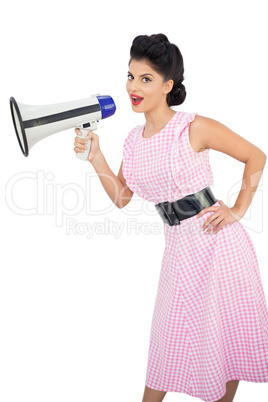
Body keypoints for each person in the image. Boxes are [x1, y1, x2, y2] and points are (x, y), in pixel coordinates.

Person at [73, 34, 268, 402]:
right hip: (178, 250)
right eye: (130, 76)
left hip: (218, 246)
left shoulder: (193, 127)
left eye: (146, 79)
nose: (134, 86)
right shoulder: (132, 140)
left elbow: (256, 156)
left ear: (167, 86)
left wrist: (238, 209)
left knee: (222, 339)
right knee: (167, 343)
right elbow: (121, 198)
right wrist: (95, 157)